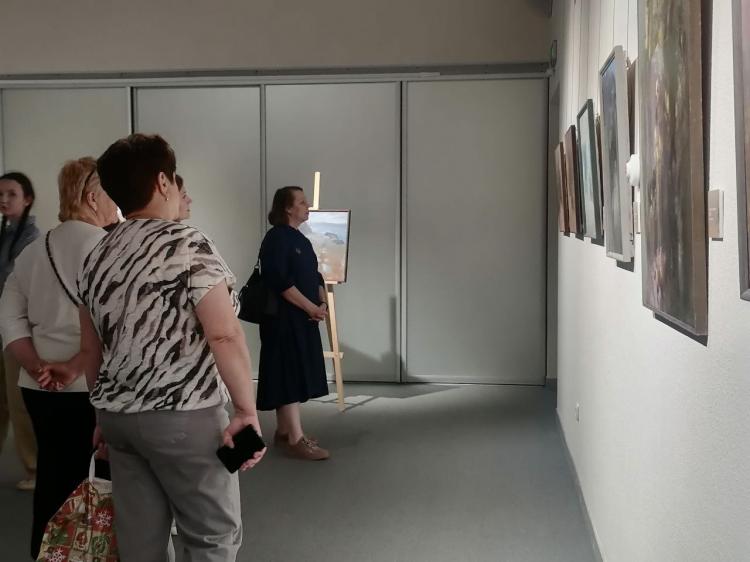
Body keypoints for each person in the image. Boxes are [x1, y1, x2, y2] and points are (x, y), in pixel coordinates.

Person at [41, 134, 265, 562]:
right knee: (210, 536)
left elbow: (91, 348)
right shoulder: (187, 244)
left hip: (119, 421)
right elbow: (224, 334)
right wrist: (245, 410)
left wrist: (101, 414)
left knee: (140, 541)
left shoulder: (97, 255)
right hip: (184, 415)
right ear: (163, 182)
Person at [0, 158, 118, 559]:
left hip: (39, 386)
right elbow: (118, 323)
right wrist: (75, 365)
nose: (117, 203)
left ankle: (46, 551)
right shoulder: (110, 249)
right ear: (92, 197)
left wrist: (36, 365)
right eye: (112, 193)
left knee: (52, 475)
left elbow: (9, 317)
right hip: (95, 386)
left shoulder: (33, 251)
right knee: (101, 480)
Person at [257, 186, 330, 461]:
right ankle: (297, 439)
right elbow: (280, 281)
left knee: (290, 371)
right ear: (287, 208)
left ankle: (285, 432)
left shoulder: (300, 239)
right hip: (283, 321)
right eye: (301, 202)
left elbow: (314, 274)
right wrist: (311, 307)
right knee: (287, 373)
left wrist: (321, 301)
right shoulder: (276, 238)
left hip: (302, 319)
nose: (307, 205)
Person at [0, 172, 39, 491]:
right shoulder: (5, 233)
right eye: (0, 194)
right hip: (3, 327)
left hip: (17, 332)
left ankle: (35, 468)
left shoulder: (31, 236)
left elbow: (17, 286)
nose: (4, 200)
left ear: (27, 199)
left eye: (11, 194)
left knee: (19, 404)